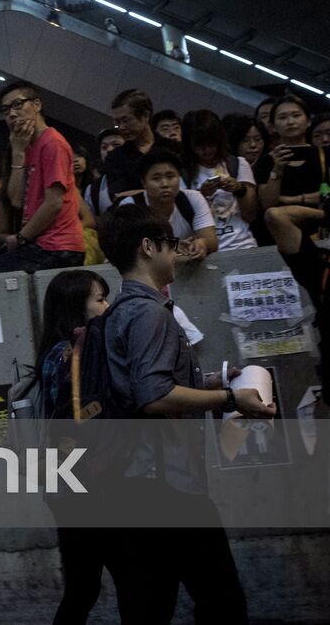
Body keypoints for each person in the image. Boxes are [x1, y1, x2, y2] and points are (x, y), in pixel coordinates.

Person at [95, 204, 274, 625]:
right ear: (148, 247)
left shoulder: (122, 311)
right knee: (223, 604)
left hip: (139, 485)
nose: (175, 254)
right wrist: (231, 399)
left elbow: (142, 384)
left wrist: (211, 381)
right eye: (170, 246)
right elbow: (154, 396)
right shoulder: (148, 313)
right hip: (165, 487)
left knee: (150, 608)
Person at [35, 269, 112, 625]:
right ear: (75, 306)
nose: (106, 305)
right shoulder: (67, 354)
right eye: (99, 299)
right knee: (88, 585)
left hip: (67, 483)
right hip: (80, 484)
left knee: (83, 586)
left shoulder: (61, 351)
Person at [0, 80, 85, 274]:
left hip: (58, 246)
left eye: (18, 105)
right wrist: (18, 152)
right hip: (41, 244)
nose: (12, 114)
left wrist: (21, 238)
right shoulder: (27, 146)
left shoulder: (52, 143)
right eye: (5, 110)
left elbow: (54, 203)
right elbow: (16, 201)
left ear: (37, 105)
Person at [119, 148, 218, 261]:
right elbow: (130, 248)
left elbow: (212, 240)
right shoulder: (131, 206)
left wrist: (202, 243)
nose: (165, 184)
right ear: (143, 182)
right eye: (156, 178)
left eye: (170, 176)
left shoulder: (192, 198)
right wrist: (172, 246)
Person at [260, 94, 328, 255]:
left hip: (321, 232)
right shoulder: (267, 161)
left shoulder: (324, 155)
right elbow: (268, 204)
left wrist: (292, 200)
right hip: (279, 236)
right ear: (273, 126)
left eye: (296, 115)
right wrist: (277, 169)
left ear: (308, 121)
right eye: (282, 117)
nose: (290, 122)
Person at [183, 109, 259, 252]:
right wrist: (201, 196)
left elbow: (250, 215)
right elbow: (184, 222)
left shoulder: (237, 164)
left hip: (243, 244)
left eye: (211, 144)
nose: (207, 150)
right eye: (200, 145)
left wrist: (239, 189)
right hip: (206, 249)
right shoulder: (184, 174)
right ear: (190, 144)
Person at [99, 89, 181, 211]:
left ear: (145, 116)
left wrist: (140, 193)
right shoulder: (115, 157)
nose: (121, 127)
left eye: (126, 120)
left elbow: (185, 190)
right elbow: (118, 196)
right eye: (117, 123)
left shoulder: (173, 148)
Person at [226, 114, 273, 184]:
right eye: (245, 140)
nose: (253, 145)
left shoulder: (273, 164)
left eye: (257, 139)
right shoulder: (227, 167)